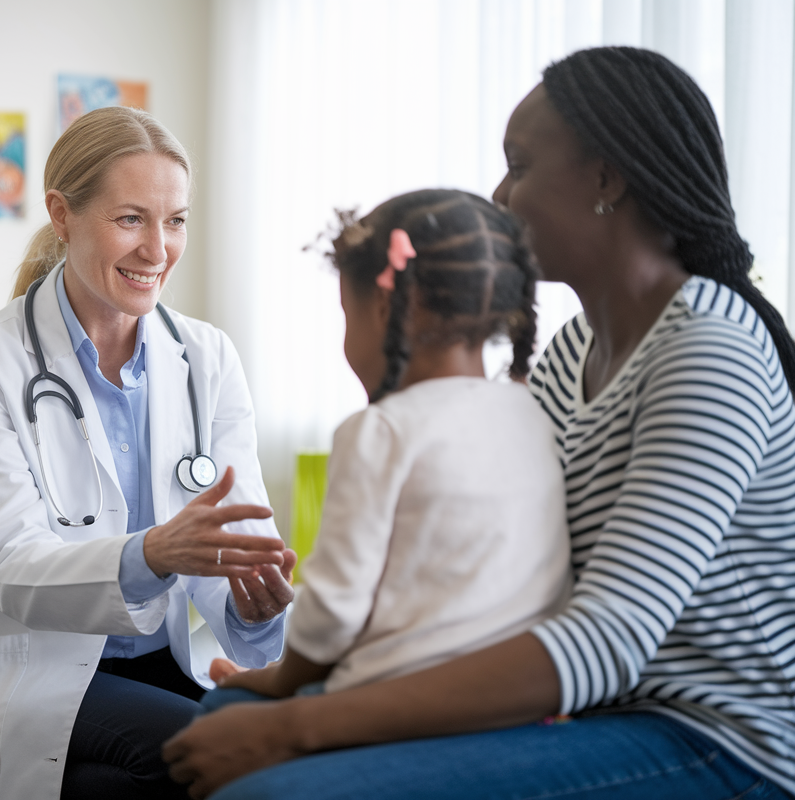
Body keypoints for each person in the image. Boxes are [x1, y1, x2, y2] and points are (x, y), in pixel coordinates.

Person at [163, 46, 795, 800]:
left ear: (606, 178)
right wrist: (306, 685)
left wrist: (299, 724)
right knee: (223, 706)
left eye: (519, 165)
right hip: (593, 709)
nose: (499, 194)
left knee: (270, 789)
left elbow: (609, 640)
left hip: (714, 739)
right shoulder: (572, 353)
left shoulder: (708, 351)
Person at [0, 106, 296, 800]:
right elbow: (8, 562)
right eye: (131, 219)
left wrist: (256, 605)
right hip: (32, 662)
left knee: (124, 782)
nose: (158, 248)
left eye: (176, 220)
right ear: (62, 215)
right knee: (201, 758)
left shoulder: (207, 358)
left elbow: (233, 539)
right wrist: (152, 553)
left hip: (167, 662)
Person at [199, 190, 571, 714]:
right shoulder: (530, 412)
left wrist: (274, 682)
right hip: (513, 693)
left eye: (346, 315)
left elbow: (332, 612)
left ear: (384, 306)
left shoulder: (380, 432)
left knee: (214, 711)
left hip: (396, 693)